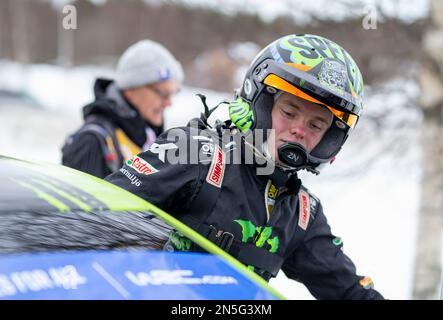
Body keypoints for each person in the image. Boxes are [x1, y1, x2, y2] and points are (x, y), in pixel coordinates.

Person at [105, 34, 384, 299]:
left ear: (329, 139)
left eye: (316, 125)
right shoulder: (194, 152)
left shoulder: (300, 212)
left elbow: (347, 289)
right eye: (289, 112)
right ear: (261, 104)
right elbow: (98, 211)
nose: (299, 130)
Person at [62, 39, 184, 178]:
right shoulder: (92, 142)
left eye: (173, 93)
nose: (169, 103)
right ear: (131, 89)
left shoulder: (149, 137)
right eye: (163, 93)